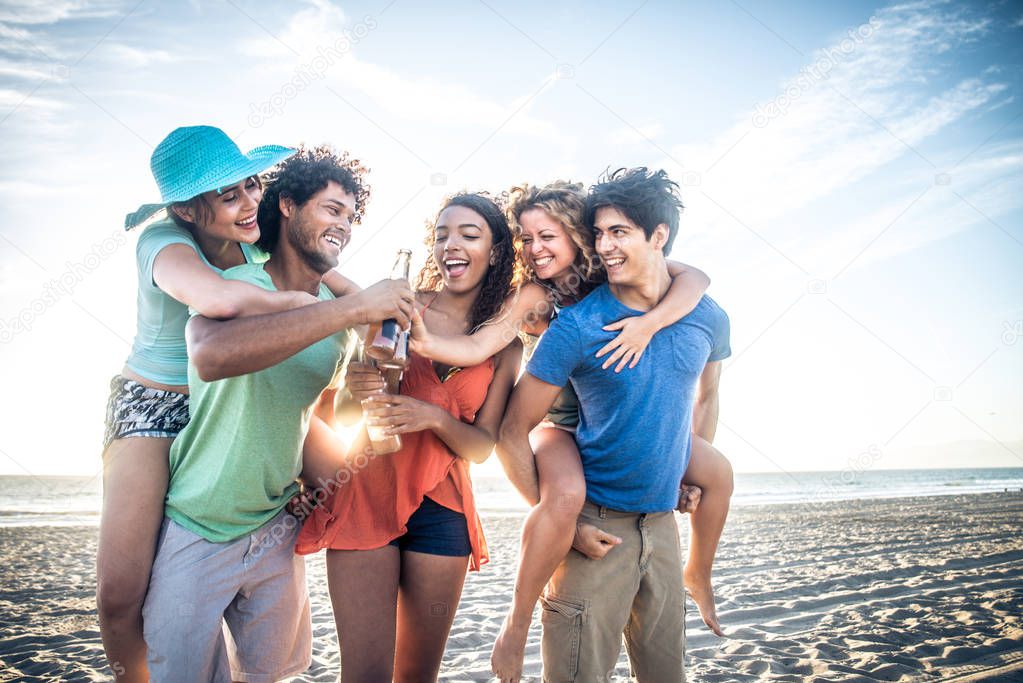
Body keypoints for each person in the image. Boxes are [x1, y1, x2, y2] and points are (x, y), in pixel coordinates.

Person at [410, 181, 731, 681]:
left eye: (547, 236)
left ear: (577, 236)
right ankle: (514, 625)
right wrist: (424, 341)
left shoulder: (617, 270)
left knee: (718, 471)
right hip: (559, 419)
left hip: (612, 429)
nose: (535, 249)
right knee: (564, 496)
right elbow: (483, 353)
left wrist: (650, 324)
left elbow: (697, 278)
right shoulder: (541, 297)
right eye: (525, 239)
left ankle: (700, 571)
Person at [140, 146, 414, 681]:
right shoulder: (241, 279)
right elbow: (211, 356)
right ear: (286, 204)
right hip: (199, 523)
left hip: (278, 530)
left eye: (352, 217)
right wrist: (352, 307)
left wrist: (367, 389)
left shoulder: (338, 317)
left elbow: (326, 413)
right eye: (333, 209)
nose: (345, 226)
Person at [97, 125, 324, 681]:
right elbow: (217, 298)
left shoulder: (258, 237)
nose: (251, 203)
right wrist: (301, 305)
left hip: (230, 401)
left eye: (251, 185)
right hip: (156, 408)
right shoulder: (163, 243)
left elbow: (333, 278)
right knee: (121, 593)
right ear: (188, 210)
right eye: (230, 197)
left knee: (342, 471)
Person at [295, 193, 522, 682]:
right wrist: (358, 387)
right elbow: (351, 413)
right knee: (364, 677)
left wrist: (434, 418)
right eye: (441, 235)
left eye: (468, 234)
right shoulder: (398, 306)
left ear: (497, 251)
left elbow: (483, 446)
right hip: (366, 494)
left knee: (418, 677)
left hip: (444, 513)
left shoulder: (504, 343)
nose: (450, 245)